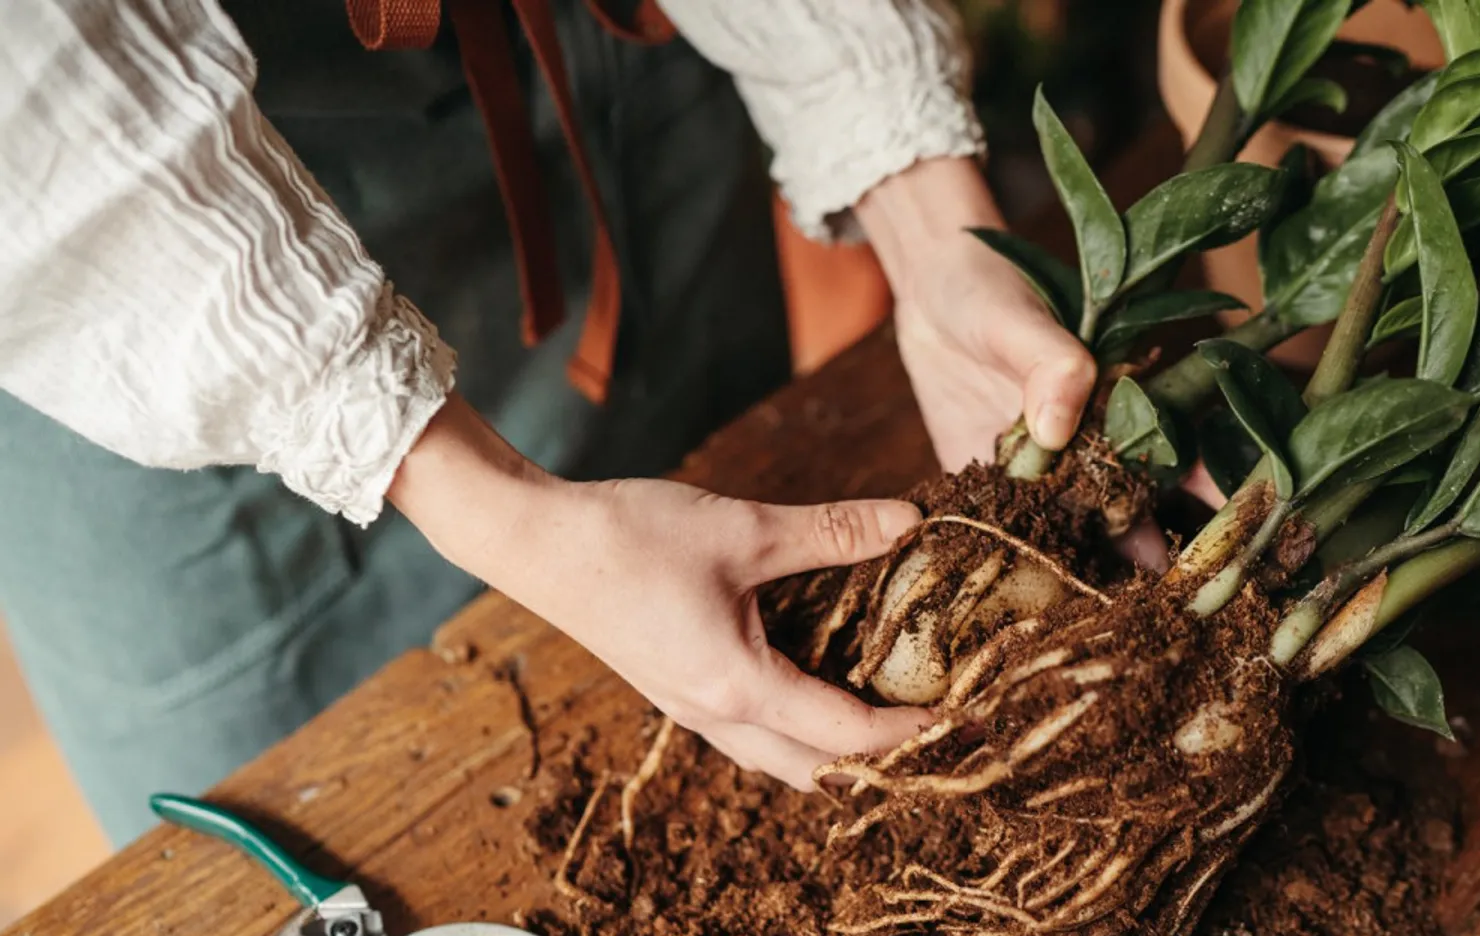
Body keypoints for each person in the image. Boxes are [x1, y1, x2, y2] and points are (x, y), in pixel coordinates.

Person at [0, 0, 1099, 843]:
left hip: (627, 71)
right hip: (140, 268)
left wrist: (928, 216)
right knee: (310, 825)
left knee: (747, 638)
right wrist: (491, 504)